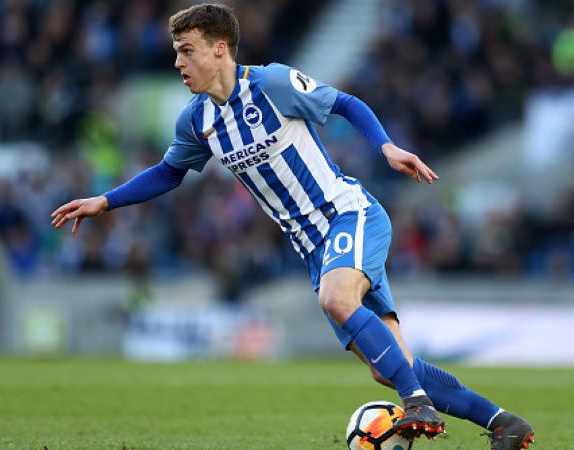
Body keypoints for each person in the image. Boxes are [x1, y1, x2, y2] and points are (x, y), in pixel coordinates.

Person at [51, 4, 534, 448]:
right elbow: (168, 173)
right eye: (177, 52)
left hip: (349, 214)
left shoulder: (272, 83)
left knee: (337, 300)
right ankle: (502, 423)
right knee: (389, 368)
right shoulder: (197, 119)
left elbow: (346, 103)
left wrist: (385, 146)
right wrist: (105, 201)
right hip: (315, 250)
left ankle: (418, 405)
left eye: (186, 51)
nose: (178, 62)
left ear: (219, 49)